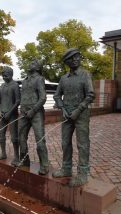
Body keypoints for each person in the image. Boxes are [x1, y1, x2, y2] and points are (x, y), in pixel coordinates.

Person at [52, 48, 95, 186]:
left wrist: (78, 110)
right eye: (73, 57)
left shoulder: (85, 75)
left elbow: (90, 95)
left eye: (78, 56)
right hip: (66, 115)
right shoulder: (64, 78)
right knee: (65, 143)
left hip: (81, 114)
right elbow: (57, 96)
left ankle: (83, 173)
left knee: (82, 144)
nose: (77, 59)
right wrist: (62, 108)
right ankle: (66, 168)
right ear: (67, 61)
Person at [19, 59, 49, 175]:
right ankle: (24, 160)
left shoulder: (39, 79)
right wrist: (22, 109)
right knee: (21, 138)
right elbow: (24, 96)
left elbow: (43, 98)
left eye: (33, 63)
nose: (30, 64)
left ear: (37, 67)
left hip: (36, 114)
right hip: (24, 113)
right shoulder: (24, 81)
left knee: (40, 140)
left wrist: (33, 110)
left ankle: (44, 165)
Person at [0, 66, 21, 166]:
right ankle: (3, 153)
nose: (4, 76)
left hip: (12, 115)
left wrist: (10, 113)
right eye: (3, 75)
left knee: (14, 137)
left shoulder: (15, 85)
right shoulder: (2, 86)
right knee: (0, 135)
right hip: (2, 114)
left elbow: (18, 101)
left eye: (6, 75)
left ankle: (16, 157)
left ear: (11, 75)